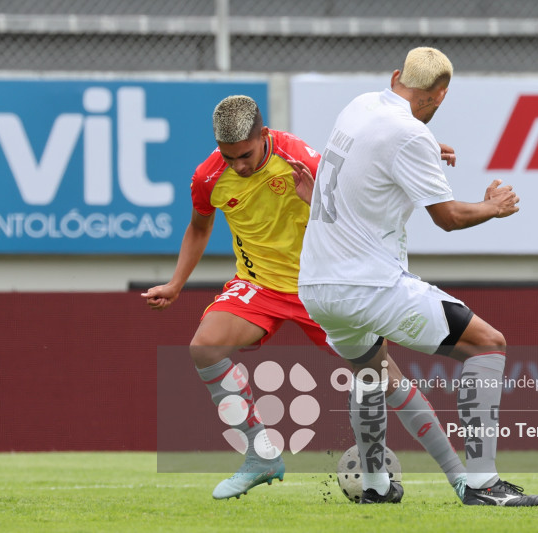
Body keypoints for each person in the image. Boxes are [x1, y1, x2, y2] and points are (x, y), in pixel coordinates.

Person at [141, 95, 467, 501]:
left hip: (322, 283)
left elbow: (355, 195)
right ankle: (261, 456)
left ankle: (459, 476)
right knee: (204, 348)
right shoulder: (208, 177)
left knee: (383, 378)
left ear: (264, 135)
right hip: (259, 285)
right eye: (229, 158)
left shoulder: (300, 158)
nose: (238, 166)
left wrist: (421, 151)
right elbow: (199, 227)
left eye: (244, 155)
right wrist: (176, 284)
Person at [298, 47, 538, 506]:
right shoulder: (409, 135)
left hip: (316, 286)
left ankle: (374, 486)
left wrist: (427, 144)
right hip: (368, 285)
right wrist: (495, 207)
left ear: (396, 76)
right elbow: (449, 217)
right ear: (440, 95)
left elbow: (375, 151)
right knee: (487, 344)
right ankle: (483, 484)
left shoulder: (360, 106)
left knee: (371, 372)